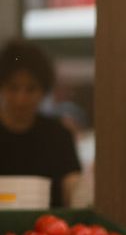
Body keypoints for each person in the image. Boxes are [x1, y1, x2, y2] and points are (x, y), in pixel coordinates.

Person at [0, 39, 81, 207]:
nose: (20, 99)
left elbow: (72, 187)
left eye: (30, 89)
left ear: (43, 91)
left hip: (48, 229)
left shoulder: (59, 135)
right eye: (13, 88)